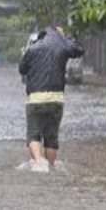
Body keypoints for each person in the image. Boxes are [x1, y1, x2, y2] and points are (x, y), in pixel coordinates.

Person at [17, 26, 84, 172]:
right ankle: (50, 167)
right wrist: (65, 39)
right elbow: (79, 49)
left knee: (33, 134)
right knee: (51, 139)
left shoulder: (33, 48)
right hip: (56, 99)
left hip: (35, 98)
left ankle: (38, 161)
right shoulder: (63, 46)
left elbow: (22, 69)